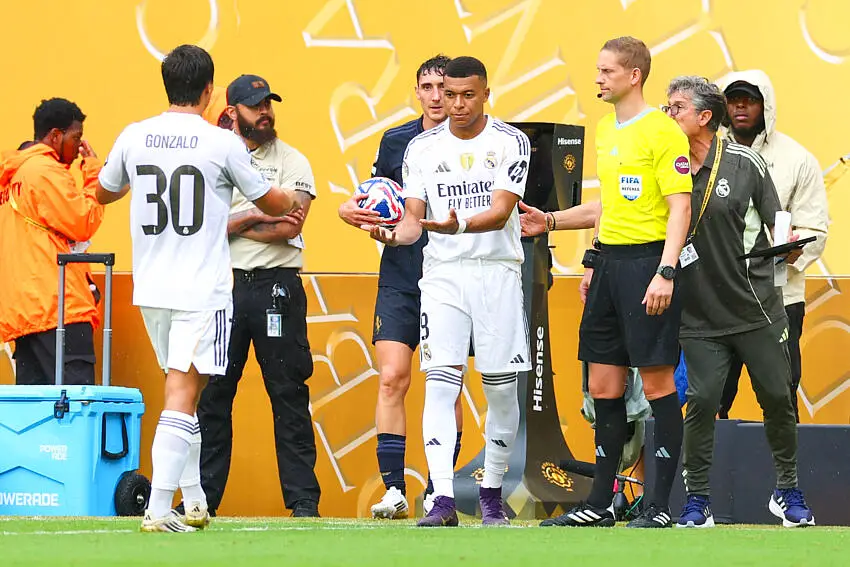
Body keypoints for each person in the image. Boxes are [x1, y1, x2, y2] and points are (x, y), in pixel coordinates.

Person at [96, 44, 300, 533]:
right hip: (200, 287)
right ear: (210, 91)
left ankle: (194, 501)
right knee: (184, 393)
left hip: (151, 286)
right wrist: (293, 197)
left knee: (181, 389)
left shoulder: (135, 135)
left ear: (167, 85)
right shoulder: (221, 143)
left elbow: (103, 191)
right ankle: (158, 509)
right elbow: (273, 202)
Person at [369, 56, 531, 527]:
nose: (456, 103)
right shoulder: (420, 148)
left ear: (485, 95)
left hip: (497, 272)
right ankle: (440, 497)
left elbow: (500, 212)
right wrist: (386, 234)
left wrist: (456, 224)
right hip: (441, 275)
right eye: (450, 94)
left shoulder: (511, 141)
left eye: (466, 95)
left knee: (500, 390)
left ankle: (491, 492)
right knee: (440, 380)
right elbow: (412, 222)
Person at [541, 36, 692, 529]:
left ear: (634, 75)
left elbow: (680, 208)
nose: (598, 78)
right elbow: (608, 206)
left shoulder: (663, 131)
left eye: (607, 71)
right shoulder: (606, 130)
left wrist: (666, 271)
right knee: (602, 385)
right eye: (598, 69)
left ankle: (658, 506)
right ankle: (601, 503)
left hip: (649, 264)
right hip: (608, 266)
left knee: (657, 384)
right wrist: (558, 229)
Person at [662, 76, 815, 528]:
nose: (668, 115)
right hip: (698, 313)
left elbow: (778, 222)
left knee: (777, 397)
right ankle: (697, 500)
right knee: (702, 400)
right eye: (667, 107)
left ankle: (787, 489)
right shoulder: (664, 163)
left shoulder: (745, 163)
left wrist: (789, 245)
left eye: (676, 108)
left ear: (704, 116)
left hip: (756, 309)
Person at [338, 55, 464, 519]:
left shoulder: (472, 142)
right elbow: (378, 201)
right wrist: (353, 213)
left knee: (445, 384)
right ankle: (393, 490)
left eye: (444, 87)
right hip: (399, 276)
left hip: (450, 277)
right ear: (417, 92)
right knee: (392, 377)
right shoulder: (395, 141)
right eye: (427, 87)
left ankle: (437, 489)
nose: (436, 96)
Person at [196, 74, 321, 518]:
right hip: (223, 287)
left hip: (277, 286)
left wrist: (233, 221)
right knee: (213, 395)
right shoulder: (213, 158)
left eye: (268, 103)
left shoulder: (293, 160)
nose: (265, 112)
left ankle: (304, 502)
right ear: (232, 112)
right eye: (255, 105)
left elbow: (289, 227)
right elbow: (203, 225)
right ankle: (202, 499)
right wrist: (256, 215)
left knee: (289, 394)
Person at [716, 71, 829, 422]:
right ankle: (707, 459)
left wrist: (793, 249)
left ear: (766, 106)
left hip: (779, 298)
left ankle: (787, 460)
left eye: (750, 99)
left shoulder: (798, 159)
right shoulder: (708, 154)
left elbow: (815, 229)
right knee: (710, 397)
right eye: (733, 99)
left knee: (781, 394)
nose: (740, 106)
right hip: (717, 298)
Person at [0, 98, 104, 386]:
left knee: (36, 405)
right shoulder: (44, 172)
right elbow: (83, 221)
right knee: (75, 400)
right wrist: (94, 173)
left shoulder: (13, 176)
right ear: (55, 136)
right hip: (58, 307)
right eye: (76, 138)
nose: (79, 147)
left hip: (25, 313)